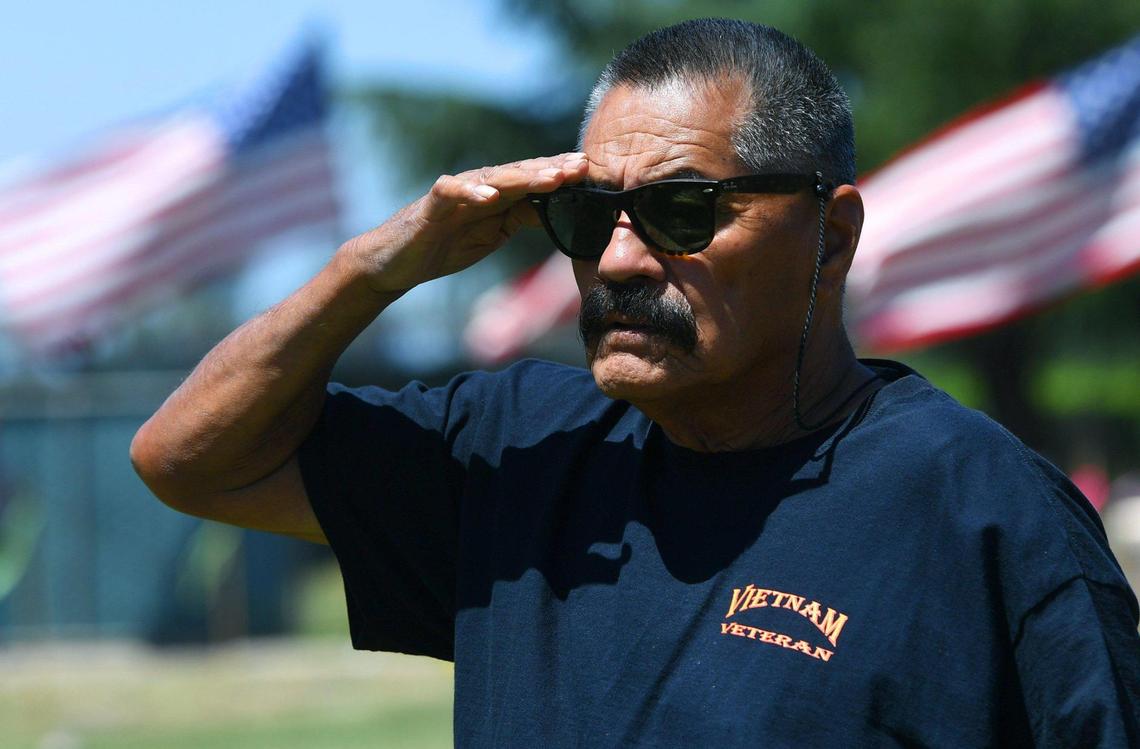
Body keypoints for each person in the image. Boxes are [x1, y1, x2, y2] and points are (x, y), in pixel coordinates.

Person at [131, 18, 1140, 747]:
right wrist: (377, 265)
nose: (615, 260)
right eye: (587, 215)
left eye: (682, 211)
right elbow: (189, 457)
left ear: (830, 238)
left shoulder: (977, 506)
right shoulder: (518, 449)